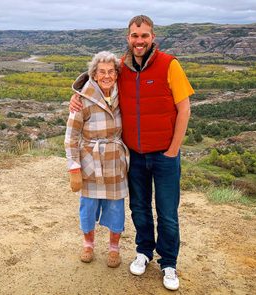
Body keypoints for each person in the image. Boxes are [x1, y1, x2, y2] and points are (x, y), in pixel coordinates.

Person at [69, 15, 194, 290]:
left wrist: (173, 150)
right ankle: (144, 252)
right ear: (128, 38)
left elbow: (184, 109)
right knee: (139, 207)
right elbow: (98, 81)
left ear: (152, 38)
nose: (139, 41)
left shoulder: (170, 64)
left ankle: (169, 263)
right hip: (135, 155)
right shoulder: (122, 69)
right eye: (135, 36)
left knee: (167, 212)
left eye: (144, 36)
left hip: (165, 155)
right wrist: (76, 95)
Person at [65, 51, 129, 268]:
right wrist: (73, 167)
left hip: (115, 161)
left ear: (117, 74)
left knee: (116, 207)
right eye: (102, 72)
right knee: (88, 207)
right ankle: (88, 244)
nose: (107, 76)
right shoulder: (82, 99)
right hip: (90, 161)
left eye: (111, 71)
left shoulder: (125, 93)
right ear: (94, 74)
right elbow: (71, 136)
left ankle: (114, 248)